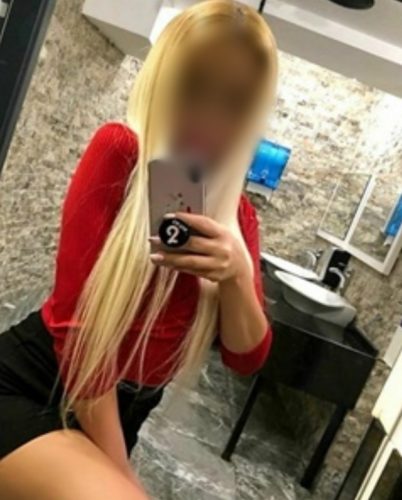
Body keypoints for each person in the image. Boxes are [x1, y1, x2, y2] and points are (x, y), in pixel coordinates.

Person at [0, 1, 278, 498]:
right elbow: (78, 334)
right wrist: (123, 474)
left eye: (234, 101)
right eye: (194, 85)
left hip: (119, 412)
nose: (210, 117)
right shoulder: (121, 152)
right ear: (165, 80)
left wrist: (236, 273)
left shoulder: (238, 219)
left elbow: (246, 358)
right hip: (37, 382)